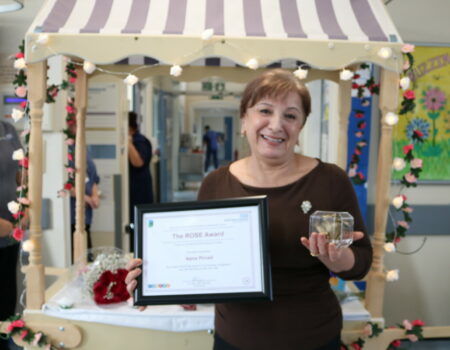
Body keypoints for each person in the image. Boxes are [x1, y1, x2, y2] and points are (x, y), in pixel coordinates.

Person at [125, 69, 372, 350]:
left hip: (313, 337)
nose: (276, 125)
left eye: (290, 115)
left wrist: (339, 259)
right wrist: (157, 279)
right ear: (244, 119)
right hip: (236, 338)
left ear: (301, 127)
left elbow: (361, 263)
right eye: (265, 110)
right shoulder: (216, 184)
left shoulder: (329, 181)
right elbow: (199, 259)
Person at [0, 120, 23, 350]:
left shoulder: (7, 130)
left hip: (9, 234)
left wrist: (27, 205)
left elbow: (20, 173)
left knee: (7, 299)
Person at [68, 142, 100, 263]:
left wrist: (95, 196)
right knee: (78, 258)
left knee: (88, 256)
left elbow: (93, 178)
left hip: (86, 214)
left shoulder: (83, 148)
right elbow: (65, 185)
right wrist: (86, 198)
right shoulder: (64, 149)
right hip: (73, 214)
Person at [128, 111, 153, 251]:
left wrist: (128, 142)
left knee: (139, 230)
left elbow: (138, 162)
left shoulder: (140, 141)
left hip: (140, 193)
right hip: (132, 194)